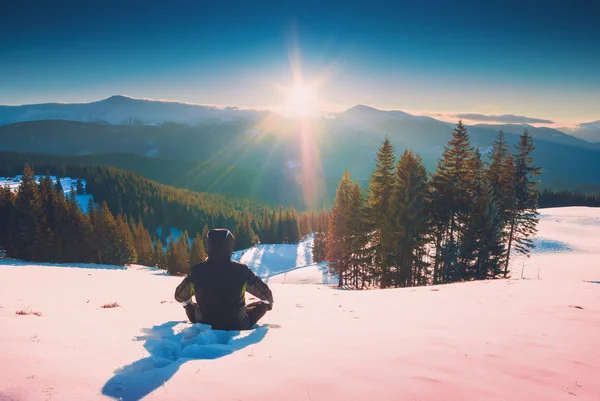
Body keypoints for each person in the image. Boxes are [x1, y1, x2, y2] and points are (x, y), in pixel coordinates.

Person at [174, 228, 274, 330]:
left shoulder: (198, 271)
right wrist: (268, 305)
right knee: (263, 304)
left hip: (204, 323)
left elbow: (179, 295)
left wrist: (189, 306)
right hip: (237, 325)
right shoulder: (241, 271)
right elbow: (265, 294)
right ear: (230, 246)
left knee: (191, 305)